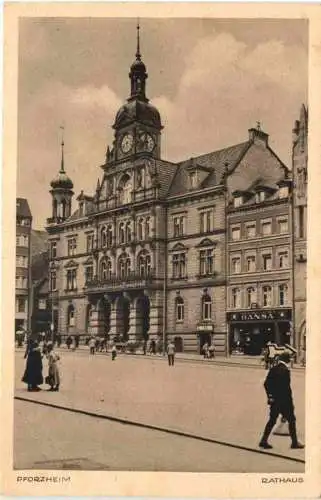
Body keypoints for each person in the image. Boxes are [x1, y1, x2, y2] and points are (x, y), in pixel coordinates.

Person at [259, 351, 304, 450]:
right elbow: (286, 389)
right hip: (284, 401)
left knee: (272, 421)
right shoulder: (285, 370)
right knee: (292, 420)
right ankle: (294, 442)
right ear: (287, 360)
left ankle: (263, 440)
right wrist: (290, 403)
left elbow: (266, 384)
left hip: (275, 401)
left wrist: (270, 396)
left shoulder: (274, 369)